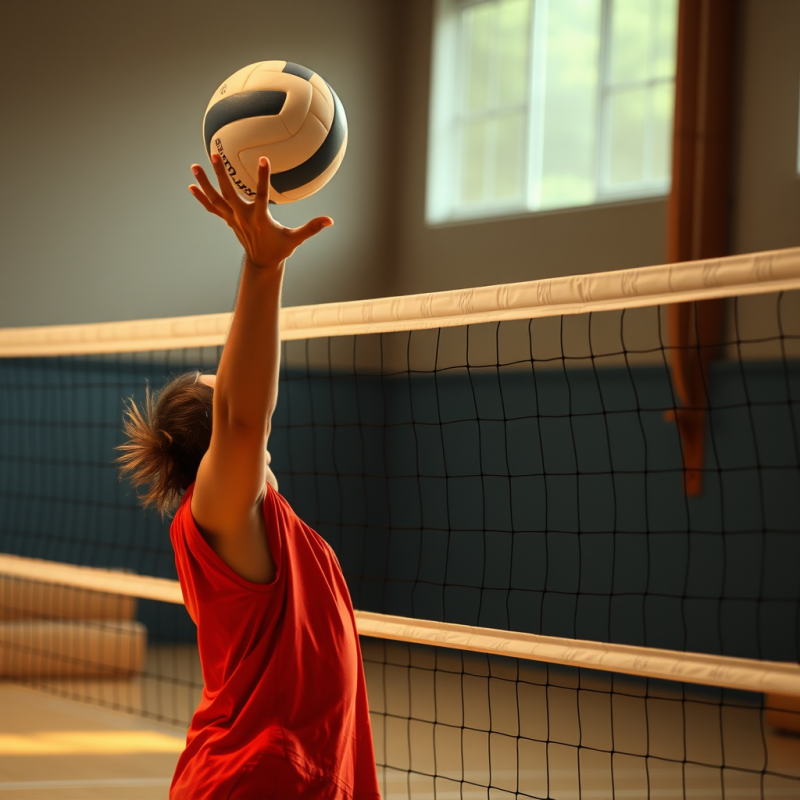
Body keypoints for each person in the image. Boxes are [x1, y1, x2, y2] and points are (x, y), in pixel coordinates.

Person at [116, 153, 381, 800]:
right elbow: (241, 420)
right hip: (252, 778)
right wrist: (263, 266)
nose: (237, 384)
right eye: (225, 383)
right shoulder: (218, 511)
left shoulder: (257, 524)